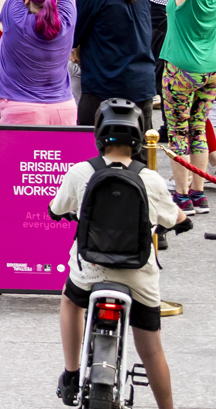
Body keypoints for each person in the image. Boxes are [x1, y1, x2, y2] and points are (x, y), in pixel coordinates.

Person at [49, 100, 183, 409]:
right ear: (138, 137)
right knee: (151, 351)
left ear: (98, 134)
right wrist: (182, 223)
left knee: (70, 301)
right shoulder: (150, 179)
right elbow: (175, 218)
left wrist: (64, 213)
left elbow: (56, 209)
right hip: (139, 277)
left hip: (90, 271)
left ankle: (71, 373)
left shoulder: (81, 172)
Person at [159, 0, 216, 212]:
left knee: (179, 131)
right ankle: (198, 191)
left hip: (181, 69)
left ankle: (182, 194)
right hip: (210, 70)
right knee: (198, 126)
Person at [73, 0, 154, 128]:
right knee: (140, 153)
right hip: (141, 84)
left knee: (89, 148)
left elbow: (72, 37)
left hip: (104, 86)